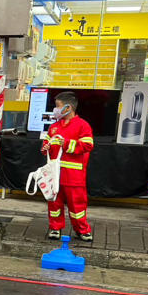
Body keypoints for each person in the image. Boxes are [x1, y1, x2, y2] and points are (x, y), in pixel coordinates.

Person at [42, 91, 94, 241]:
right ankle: (55, 228)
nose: (55, 110)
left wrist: (65, 143)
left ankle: (82, 230)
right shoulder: (54, 127)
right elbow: (47, 143)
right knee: (54, 204)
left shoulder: (83, 126)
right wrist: (45, 147)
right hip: (54, 174)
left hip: (74, 176)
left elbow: (87, 145)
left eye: (57, 106)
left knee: (77, 206)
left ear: (68, 107)